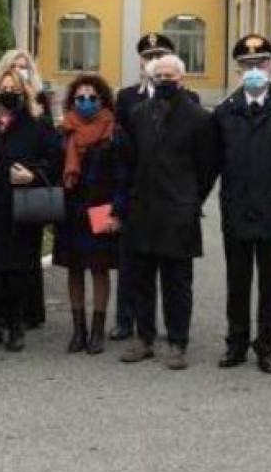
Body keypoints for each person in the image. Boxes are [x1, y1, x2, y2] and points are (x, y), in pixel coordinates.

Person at [213, 34, 271, 374]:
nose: (255, 70)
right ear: (239, 70)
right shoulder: (224, 112)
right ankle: (236, 342)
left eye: (261, 63)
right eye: (247, 65)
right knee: (237, 281)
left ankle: (266, 345)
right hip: (237, 208)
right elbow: (215, 159)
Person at [118, 54, 219, 371]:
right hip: (143, 210)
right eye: (158, 75)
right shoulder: (137, 114)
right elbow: (129, 161)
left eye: (170, 76)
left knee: (177, 283)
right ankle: (144, 338)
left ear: (182, 79)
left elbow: (208, 167)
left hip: (179, 211)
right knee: (141, 280)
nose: (164, 81)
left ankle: (178, 342)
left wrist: (191, 198)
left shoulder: (199, 118)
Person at [0, 64, 60, 352]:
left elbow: (53, 161)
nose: (9, 94)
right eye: (4, 89)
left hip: (22, 208)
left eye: (15, 90)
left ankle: (16, 324)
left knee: (18, 270)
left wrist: (32, 176)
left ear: (25, 93)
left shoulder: (37, 123)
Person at [109, 32, 196, 343]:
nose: (155, 63)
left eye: (161, 56)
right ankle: (127, 322)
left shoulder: (191, 102)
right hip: (138, 198)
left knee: (174, 276)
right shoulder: (129, 99)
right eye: (149, 57)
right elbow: (121, 150)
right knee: (133, 267)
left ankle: (175, 336)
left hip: (175, 201)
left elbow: (204, 158)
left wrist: (192, 195)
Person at [55, 75, 129, 356]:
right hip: (72, 210)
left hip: (101, 208)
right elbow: (54, 168)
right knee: (74, 268)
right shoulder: (64, 130)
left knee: (99, 268)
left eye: (92, 98)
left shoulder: (113, 131)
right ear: (72, 101)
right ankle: (78, 330)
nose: (86, 102)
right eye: (80, 98)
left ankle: (98, 331)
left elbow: (123, 177)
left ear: (102, 100)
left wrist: (118, 212)